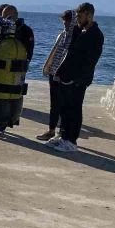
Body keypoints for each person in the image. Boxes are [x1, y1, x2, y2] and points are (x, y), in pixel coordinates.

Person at [50, 3, 104, 153]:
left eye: (80, 16)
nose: (78, 20)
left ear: (89, 15)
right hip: (67, 77)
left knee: (75, 109)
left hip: (79, 80)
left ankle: (71, 141)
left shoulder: (95, 34)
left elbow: (91, 61)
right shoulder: (81, 31)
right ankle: (63, 136)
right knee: (65, 108)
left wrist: (78, 79)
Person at [0, 5, 34, 138]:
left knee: (15, 96)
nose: (8, 18)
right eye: (5, 15)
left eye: (10, 15)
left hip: (17, 71)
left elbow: (29, 50)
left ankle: (6, 123)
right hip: (0, 70)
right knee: (0, 97)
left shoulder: (25, 30)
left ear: (16, 15)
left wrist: (25, 64)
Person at [36, 10, 76, 141]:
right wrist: (48, 68)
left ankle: (62, 133)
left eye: (68, 21)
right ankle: (51, 130)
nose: (65, 24)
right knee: (54, 104)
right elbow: (55, 52)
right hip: (53, 73)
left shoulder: (76, 37)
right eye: (64, 21)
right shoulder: (62, 35)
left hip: (64, 76)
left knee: (64, 105)